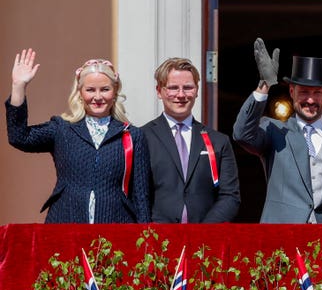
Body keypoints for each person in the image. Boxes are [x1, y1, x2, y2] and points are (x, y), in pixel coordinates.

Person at [233, 38, 322, 223]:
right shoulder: (274, 131)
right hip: (282, 241)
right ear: (292, 91)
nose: (311, 100)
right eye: (304, 92)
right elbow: (242, 134)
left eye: (317, 93)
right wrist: (264, 85)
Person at [6, 49, 151, 223]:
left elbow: (141, 196)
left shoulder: (132, 135)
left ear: (115, 92)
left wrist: (145, 241)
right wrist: (18, 87)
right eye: (90, 90)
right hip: (65, 223)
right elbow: (19, 137)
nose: (98, 97)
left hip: (116, 227)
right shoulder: (62, 129)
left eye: (105, 89)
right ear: (80, 93)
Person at [143, 57, 240, 223]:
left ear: (196, 90)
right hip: (156, 239)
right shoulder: (142, 137)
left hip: (205, 241)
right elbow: (136, 193)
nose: (181, 95)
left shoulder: (218, 141)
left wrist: (202, 233)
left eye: (188, 88)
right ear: (159, 91)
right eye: (173, 88)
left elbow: (230, 196)